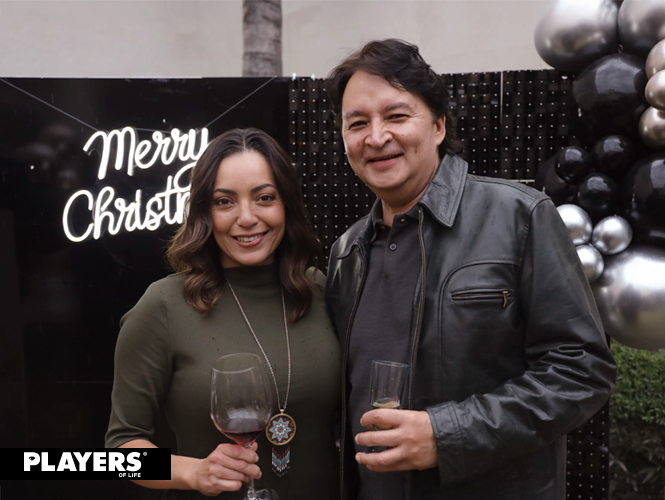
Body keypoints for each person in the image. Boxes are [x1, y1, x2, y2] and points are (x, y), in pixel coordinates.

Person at [324, 39, 617, 500]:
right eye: (357, 123)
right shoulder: (346, 253)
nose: (376, 137)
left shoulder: (519, 216)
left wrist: (447, 435)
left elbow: (582, 370)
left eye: (396, 116)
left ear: (438, 125)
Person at [105, 128, 341, 499]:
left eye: (264, 197)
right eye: (225, 202)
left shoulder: (320, 290)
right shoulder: (163, 305)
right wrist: (194, 472)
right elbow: (120, 453)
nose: (246, 218)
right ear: (205, 212)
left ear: (287, 204)